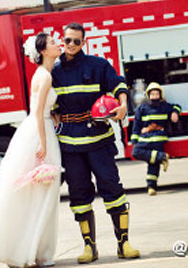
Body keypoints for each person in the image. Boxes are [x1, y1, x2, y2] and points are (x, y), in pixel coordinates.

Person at [0, 33, 62, 267]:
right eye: (52, 43)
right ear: (42, 51)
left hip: (37, 129)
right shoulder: (45, 76)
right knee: (41, 192)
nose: (57, 44)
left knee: (35, 192)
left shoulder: (42, 74)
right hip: (40, 132)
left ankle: (30, 250)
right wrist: (43, 142)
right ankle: (34, 252)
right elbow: (39, 111)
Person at [51, 22, 140, 264]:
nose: (71, 45)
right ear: (62, 39)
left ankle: (124, 243)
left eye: (76, 41)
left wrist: (122, 105)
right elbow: (47, 105)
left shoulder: (98, 65)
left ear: (83, 43)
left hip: (98, 139)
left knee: (112, 187)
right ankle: (89, 247)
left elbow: (119, 83)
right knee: (78, 194)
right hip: (70, 143)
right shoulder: (54, 72)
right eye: (67, 40)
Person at [131, 82, 181, 196]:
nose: (154, 96)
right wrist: (134, 138)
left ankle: (151, 187)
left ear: (160, 95)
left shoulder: (164, 106)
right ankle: (161, 158)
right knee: (140, 154)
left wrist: (175, 112)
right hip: (145, 138)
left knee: (152, 161)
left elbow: (176, 106)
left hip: (158, 137)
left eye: (156, 94)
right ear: (148, 95)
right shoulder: (142, 108)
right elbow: (136, 124)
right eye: (152, 94)